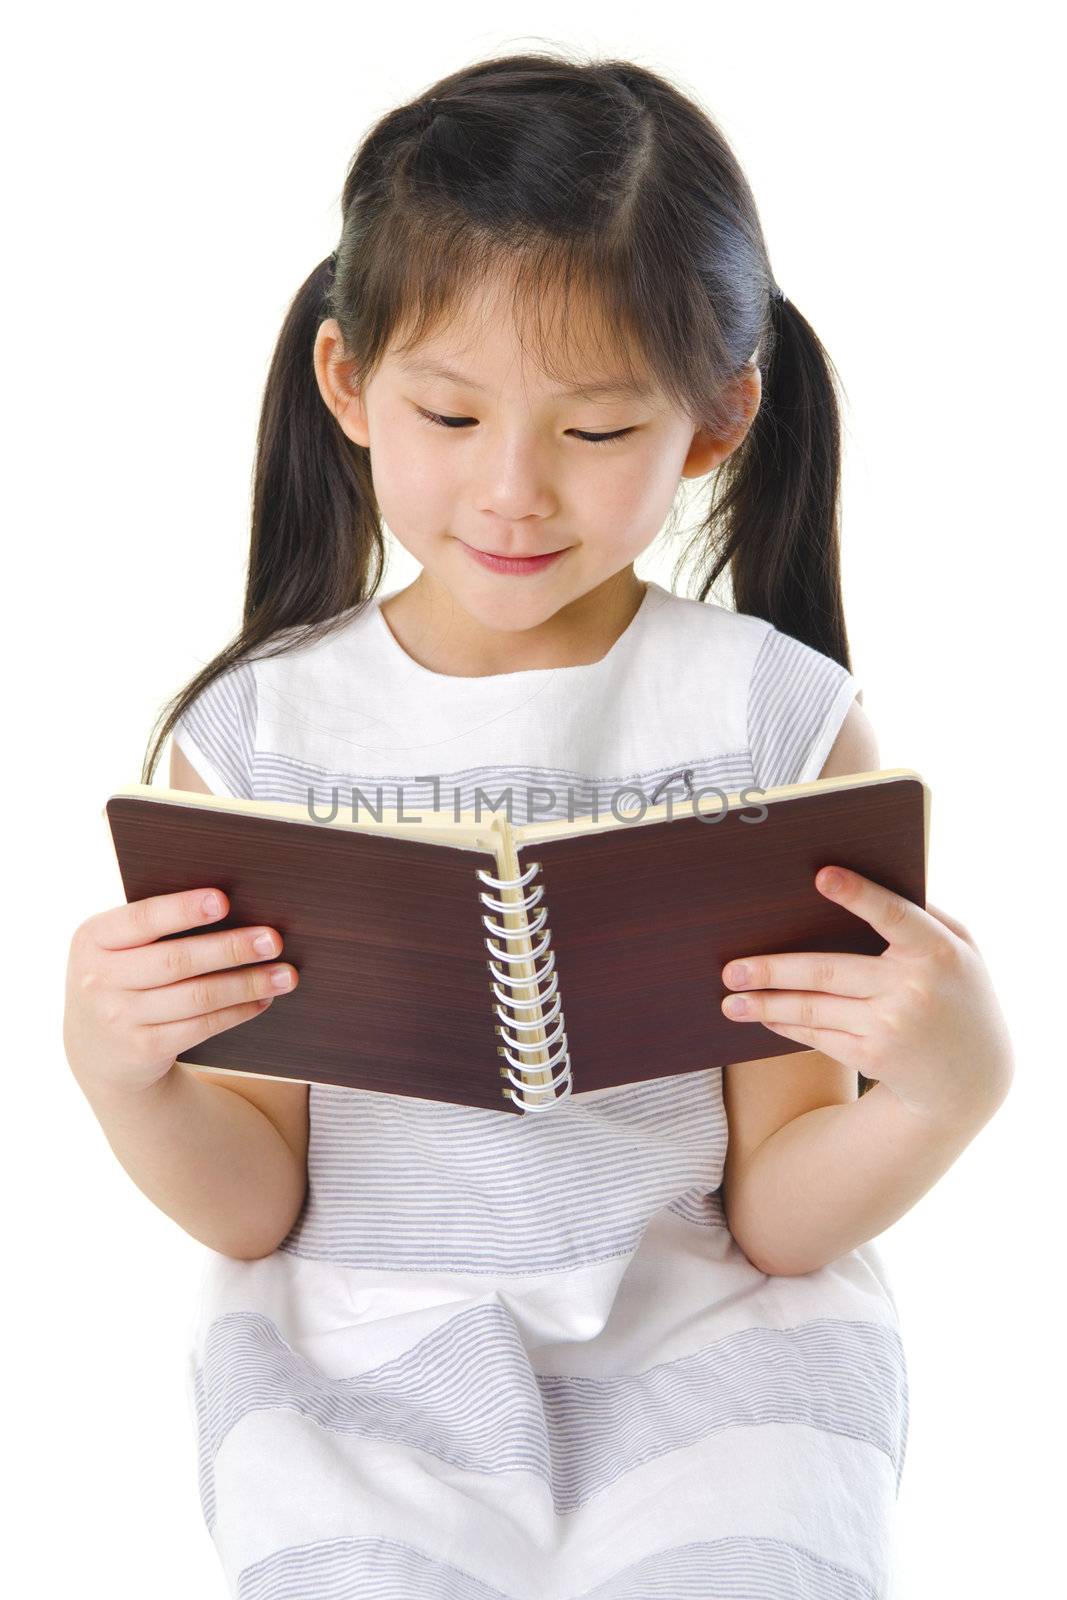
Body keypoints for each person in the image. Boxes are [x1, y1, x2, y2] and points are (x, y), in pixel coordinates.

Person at [63, 48, 1014, 1599]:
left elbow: (776, 1214)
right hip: (364, 1364)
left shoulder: (771, 722)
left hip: (707, 1349)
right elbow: (260, 1201)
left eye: (593, 434)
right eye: (450, 413)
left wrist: (942, 1095)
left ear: (712, 428)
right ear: (350, 384)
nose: (512, 494)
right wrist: (120, 1073)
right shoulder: (255, 741)